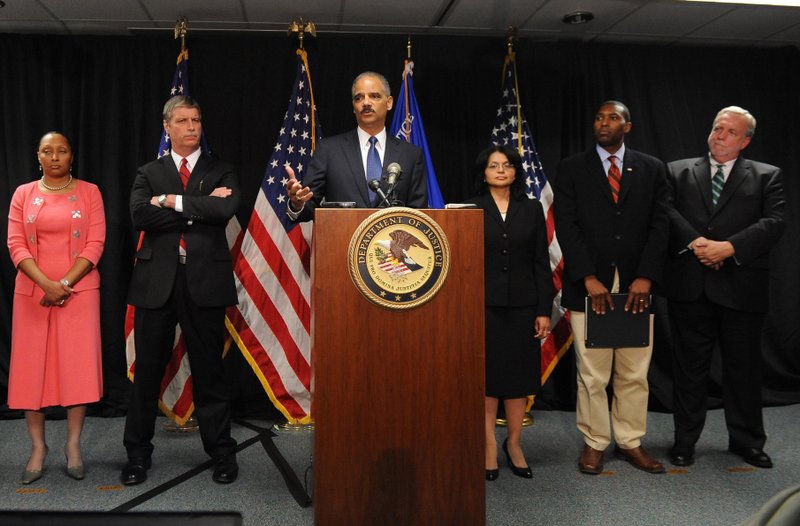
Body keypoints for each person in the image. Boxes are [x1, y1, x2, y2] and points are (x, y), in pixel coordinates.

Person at [122, 95, 240, 485]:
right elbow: (140, 215)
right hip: (157, 285)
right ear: (167, 127)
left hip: (205, 283)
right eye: (183, 121)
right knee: (148, 374)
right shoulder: (148, 172)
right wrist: (198, 206)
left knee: (211, 374)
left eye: (197, 120)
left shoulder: (219, 169)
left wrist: (170, 202)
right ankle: (137, 454)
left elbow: (223, 212)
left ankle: (222, 454)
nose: (192, 127)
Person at [663, 106, 785, 469]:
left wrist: (729, 248)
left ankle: (747, 441)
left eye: (730, 132)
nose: (719, 136)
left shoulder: (767, 176)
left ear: (745, 140)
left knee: (743, 370)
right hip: (691, 286)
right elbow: (666, 212)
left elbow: (775, 222)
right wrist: (700, 244)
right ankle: (685, 441)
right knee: (689, 370)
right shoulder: (678, 171)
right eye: (717, 128)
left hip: (741, 288)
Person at [554, 100, 669, 475]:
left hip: (637, 285)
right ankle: (594, 442)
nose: (604, 123)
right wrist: (587, 276)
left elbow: (660, 224)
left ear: (628, 126)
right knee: (592, 373)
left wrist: (646, 276)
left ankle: (631, 441)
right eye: (599, 117)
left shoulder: (652, 168)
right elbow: (566, 227)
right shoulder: (572, 168)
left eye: (613, 117)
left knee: (634, 370)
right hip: (589, 285)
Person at [7, 131, 105, 484]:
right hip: (32, 293)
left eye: (61, 151)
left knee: (76, 370)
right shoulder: (23, 194)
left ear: (71, 156)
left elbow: (95, 244)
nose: (54, 157)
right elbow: (16, 244)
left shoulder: (90, 192)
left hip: (78, 292)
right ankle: (38, 448)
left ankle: (73, 446)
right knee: (30, 373)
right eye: (47, 151)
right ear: (38, 156)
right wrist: (45, 285)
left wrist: (63, 285)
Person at [464, 146, 553, 481]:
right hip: (481, 307)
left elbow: (541, 264)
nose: (500, 170)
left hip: (523, 306)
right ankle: (488, 445)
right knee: (487, 381)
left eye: (507, 165)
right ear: (483, 172)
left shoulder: (531, 209)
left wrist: (543, 309)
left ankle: (514, 444)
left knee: (517, 381)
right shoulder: (470, 208)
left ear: (516, 171)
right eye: (493, 165)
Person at [285, 71, 427, 218]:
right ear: (354, 106)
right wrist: (297, 203)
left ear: (389, 102)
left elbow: (418, 214)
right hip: (343, 238)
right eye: (359, 98)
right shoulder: (329, 150)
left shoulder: (411, 155)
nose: (366, 103)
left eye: (374, 96)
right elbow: (309, 204)